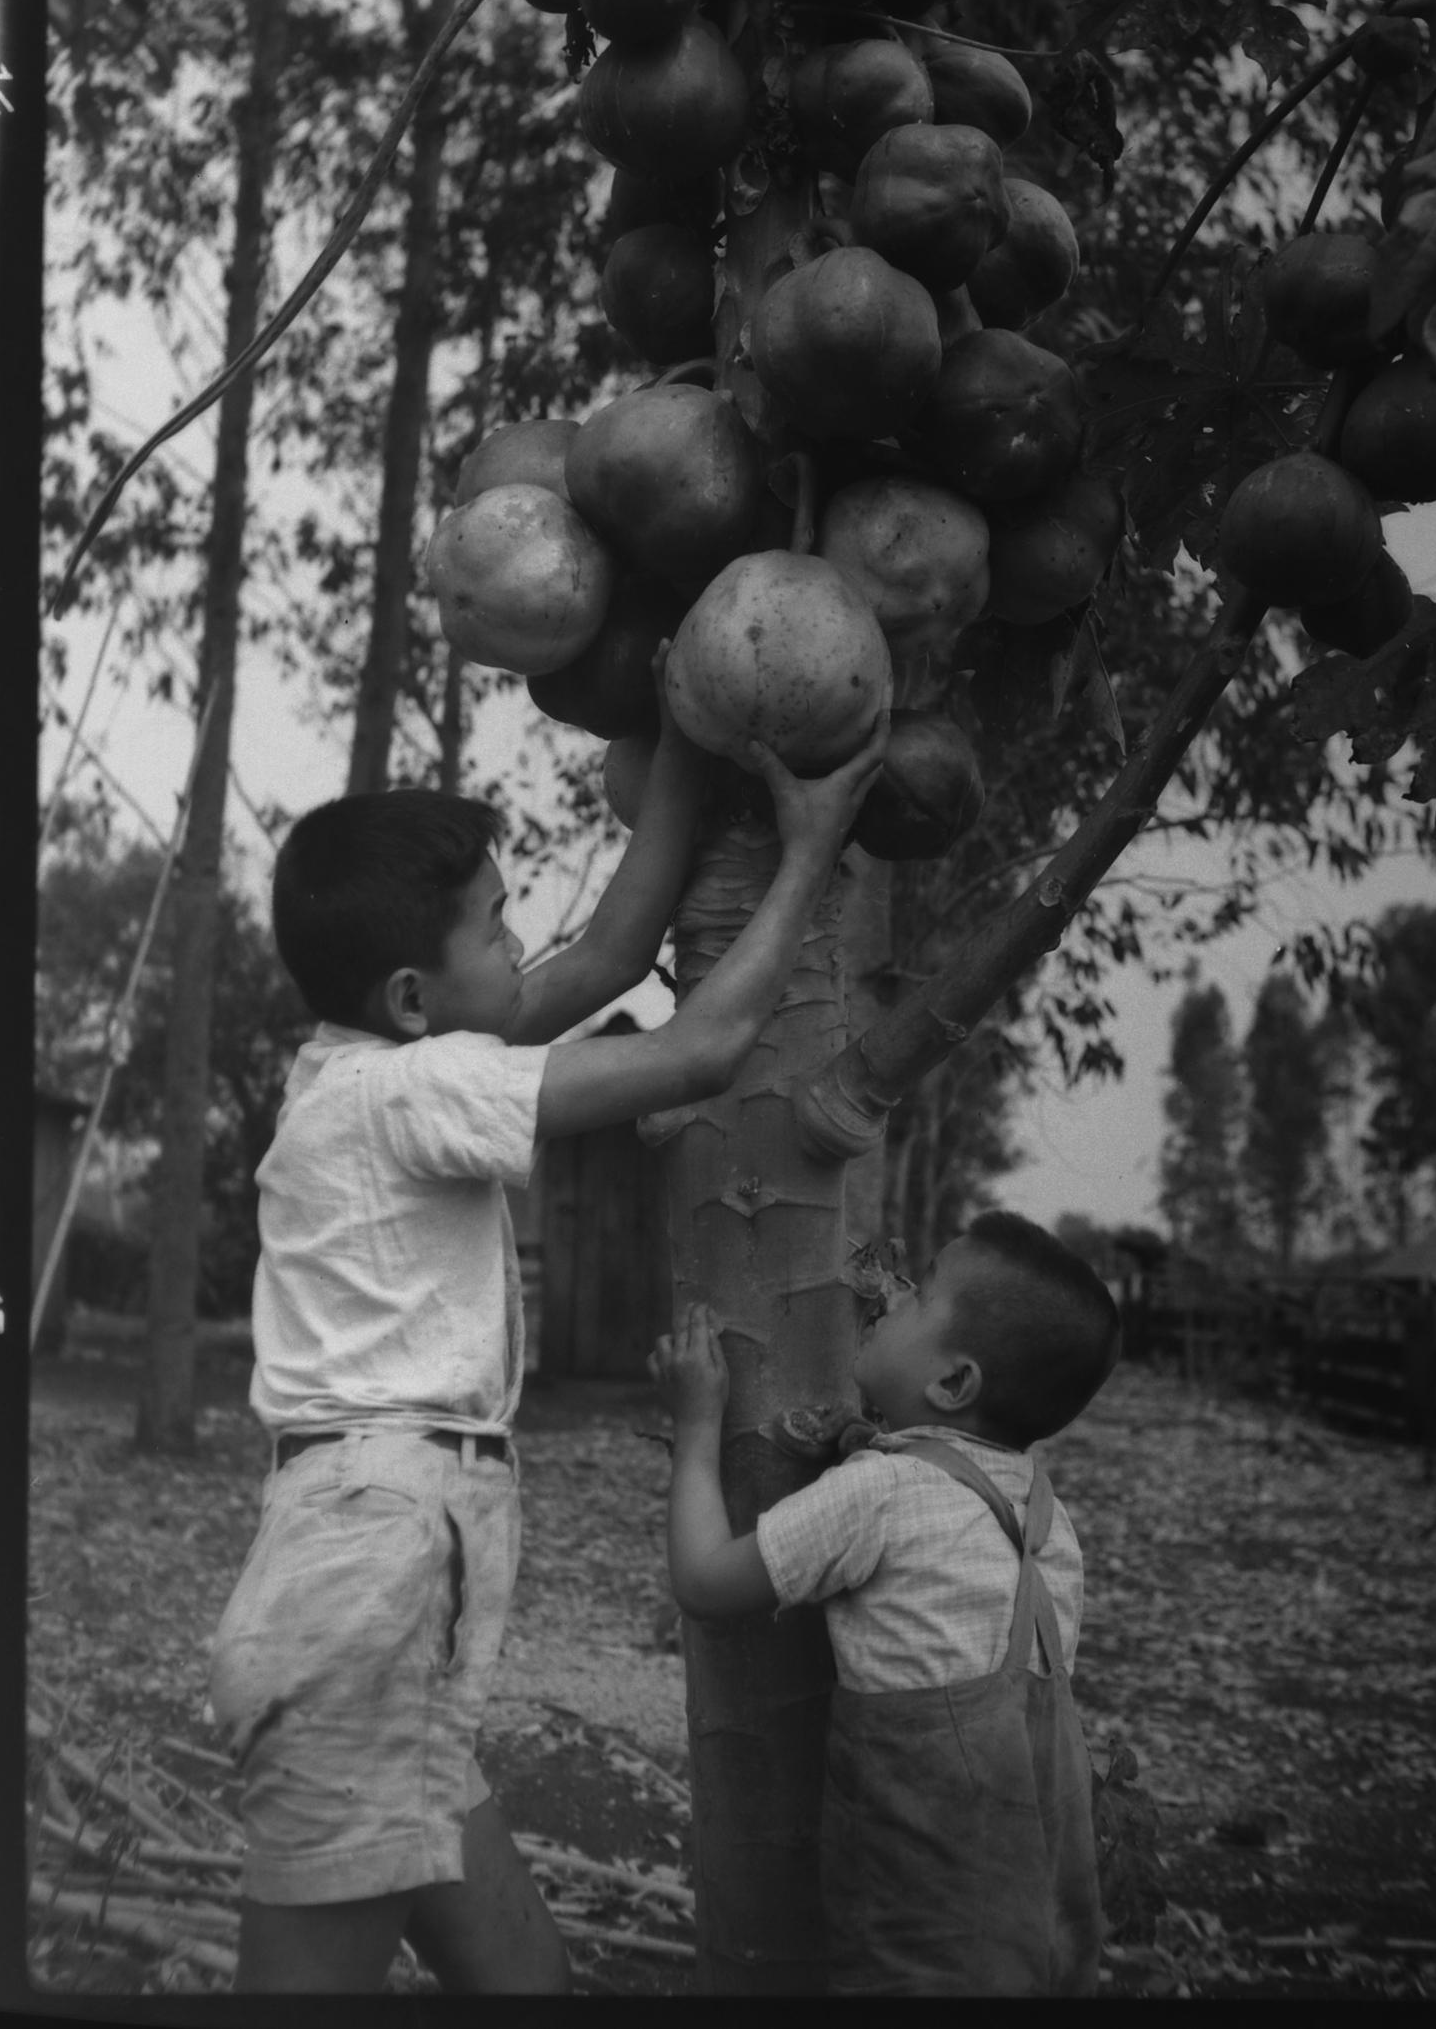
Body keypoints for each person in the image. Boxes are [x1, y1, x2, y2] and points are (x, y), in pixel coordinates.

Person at [208, 657, 887, 1996]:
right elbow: (699, 1049)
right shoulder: (415, 1089)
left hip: (382, 1577)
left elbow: (616, 951)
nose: (523, 945)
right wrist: (806, 852)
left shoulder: (361, 1067)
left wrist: (693, 723)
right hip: (367, 1588)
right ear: (415, 995)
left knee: (530, 1985)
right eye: (496, 927)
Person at [649, 1209, 1121, 1997]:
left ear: (952, 1383)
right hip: (1037, 1920)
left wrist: (696, 1426)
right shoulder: (1046, 1513)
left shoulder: (880, 1493)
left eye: (916, 1295)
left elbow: (704, 1584)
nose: (887, 1295)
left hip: (920, 1918)